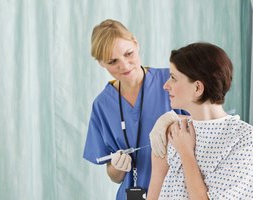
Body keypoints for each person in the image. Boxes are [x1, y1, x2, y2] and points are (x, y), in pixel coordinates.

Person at [83, 19, 184, 200]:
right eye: (113, 61)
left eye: (128, 54)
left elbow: (204, 131)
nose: (124, 65)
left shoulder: (171, 81)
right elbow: (114, 176)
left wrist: (174, 121)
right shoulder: (102, 105)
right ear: (101, 63)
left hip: (176, 193)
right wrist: (117, 167)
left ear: (136, 44)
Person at [147, 42, 253, 199]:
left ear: (197, 88)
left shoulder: (244, 140)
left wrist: (185, 152)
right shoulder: (172, 131)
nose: (166, 85)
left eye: (173, 78)